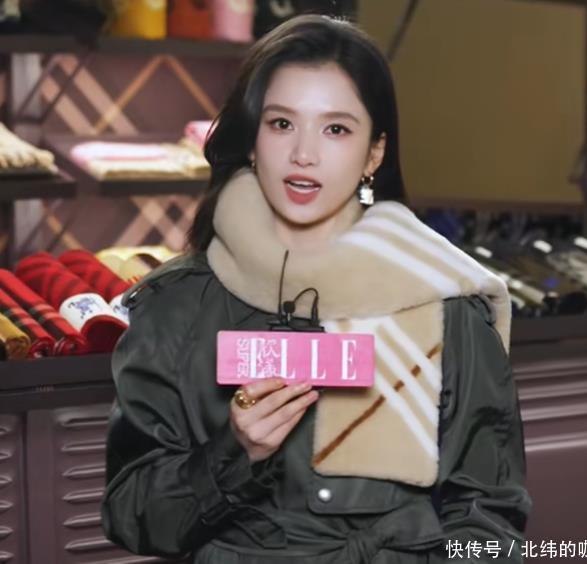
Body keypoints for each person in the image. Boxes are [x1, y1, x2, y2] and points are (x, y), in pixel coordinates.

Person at [101, 14, 532, 564]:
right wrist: (235, 453)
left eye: (336, 129)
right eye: (282, 124)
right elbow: (130, 515)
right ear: (252, 139)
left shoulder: (444, 301)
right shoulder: (176, 305)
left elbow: (489, 518)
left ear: (374, 153)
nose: (304, 153)